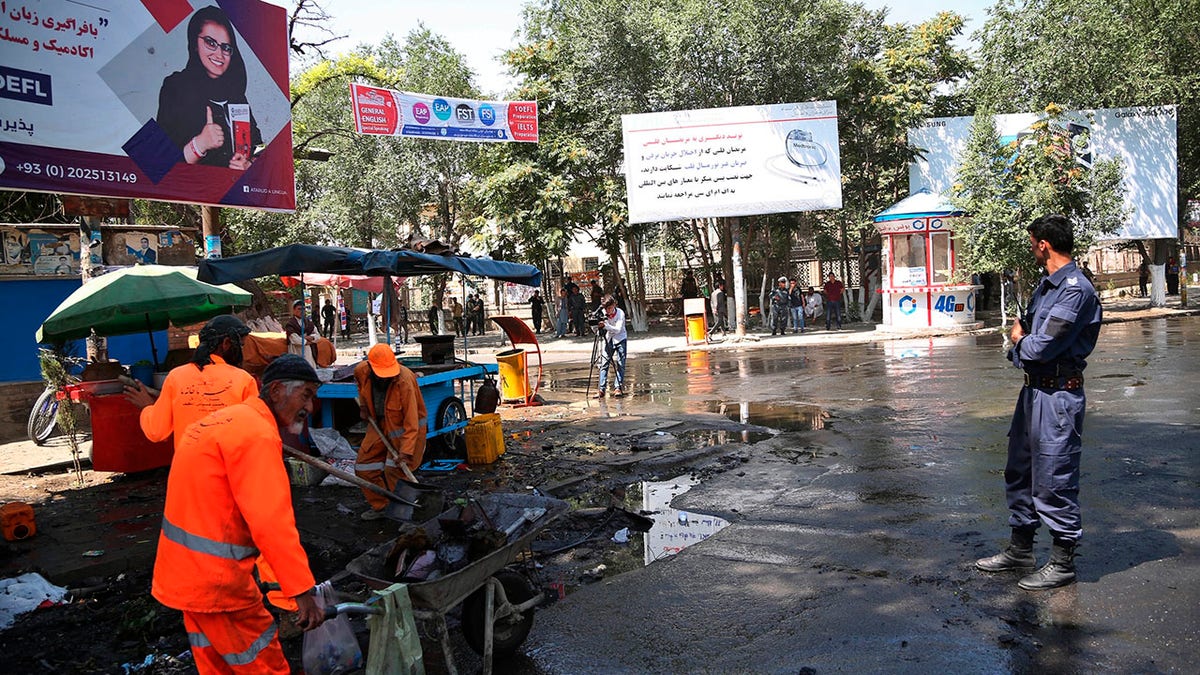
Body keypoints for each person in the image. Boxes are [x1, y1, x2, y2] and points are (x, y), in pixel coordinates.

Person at [151, 354, 325, 673]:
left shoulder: (224, 421)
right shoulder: (256, 435)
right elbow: (272, 524)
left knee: (217, 666)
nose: (310, 407)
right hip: (219, 585)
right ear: (275, 392)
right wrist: (301, 592)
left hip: (184, 577)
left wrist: (277, 587)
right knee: (265, 666)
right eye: (306, 395)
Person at [975, 214, 1101, 591]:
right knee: (1021, 469)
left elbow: (1039, 344)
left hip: (1058, 395)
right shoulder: (1046, 287)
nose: (1031, 249)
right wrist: (1023, 343)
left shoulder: (1076, 289)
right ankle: (1021, 549)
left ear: (1043, 243)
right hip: (1033, 391)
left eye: (1032, 243)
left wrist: (1018, 341)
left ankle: (1062, 562)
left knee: (1054, 477)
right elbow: (1029, 337)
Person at [125, 315, 258, 452]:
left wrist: (147, 406)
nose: (242, 351)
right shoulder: (244, 380)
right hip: (230, 468)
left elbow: (157, 432)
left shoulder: (176, 377)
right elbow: (255, 433)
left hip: (189, 469)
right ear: (226, 343)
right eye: (241, 345)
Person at [157, 6, 261, 170]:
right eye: (210, 43)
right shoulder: (176, 86)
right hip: (192, 192)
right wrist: (199, 144)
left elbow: (259, 146)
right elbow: (157, 162)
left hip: (235, 192)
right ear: (194, 43)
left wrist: (249, 164)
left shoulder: (237, 96)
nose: (219, 54)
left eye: (226, 47)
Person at [354, 344, 428, 521]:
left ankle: (405, 513)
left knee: (394, 471)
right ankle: (383, 506)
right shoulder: (362, 371)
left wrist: (406, 451)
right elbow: (360, 387)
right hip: (379, 425)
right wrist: (364, 407)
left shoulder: (405, 381)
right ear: (371, 367)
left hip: (406, 432)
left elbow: (411, 422)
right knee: (363, 467)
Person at [594, 295, 627, 398]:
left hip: (620, 338)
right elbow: (596, 329)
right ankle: (601, 389)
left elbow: (617, 329)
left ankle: (618, 387)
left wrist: (606, 326)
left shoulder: (620, 313)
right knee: (604, 364)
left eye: (610, 308)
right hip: (609, 339)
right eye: (606, 308)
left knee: (620, 363)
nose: (608, 311)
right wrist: (596, 326)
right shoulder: (603, 313)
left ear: (614, 305)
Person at [283, 300, 318, 368]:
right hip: (296, 350)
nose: (301, 311)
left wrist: (312, 338)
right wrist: (307, 341)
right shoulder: (291, 324)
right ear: (294, 310)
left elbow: (317, 335)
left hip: (307, 350)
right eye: (299, 309)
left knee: (309, 367)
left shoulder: (308, 322)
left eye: (303, 309)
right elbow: (295, 339)